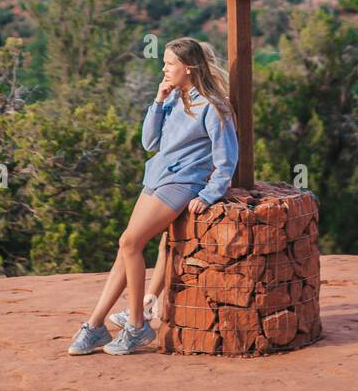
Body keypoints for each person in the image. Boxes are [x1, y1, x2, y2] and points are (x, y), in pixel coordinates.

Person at [68, 37, 239, 355]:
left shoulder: (214, 106)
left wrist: (210, 193)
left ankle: (136, 325)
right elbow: (149, 142)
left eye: (169, 63)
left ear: (188, 68)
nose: (163, 68)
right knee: (125, 247)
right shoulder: (173, 97)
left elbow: (227, 158)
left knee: (129, 243)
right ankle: (95, 326)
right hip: (156, 178)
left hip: (182, 184)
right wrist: (158, 101)